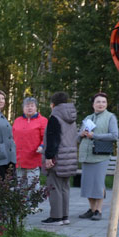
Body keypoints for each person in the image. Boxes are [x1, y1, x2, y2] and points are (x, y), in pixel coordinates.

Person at [78, 92, 119, 221]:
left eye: (103, 102)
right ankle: (91, 209)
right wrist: (82, 134)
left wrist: (94, 136)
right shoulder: (88, 118)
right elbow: (78, 137)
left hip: (101, 156)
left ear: (106, 104)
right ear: (93, 104)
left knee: (98, 184)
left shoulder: (110, 117)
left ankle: (98, 210)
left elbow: (114, 136)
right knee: (88, 184)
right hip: (87, 155)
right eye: (98, 102)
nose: (101, 104)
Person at [40, 92, 77, 225]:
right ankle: (64, 216)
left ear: (52, 104)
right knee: (65, 187)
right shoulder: (72, 118)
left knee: (54, 186)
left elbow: (53, 139)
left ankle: (56, 217)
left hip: (58, 157)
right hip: (70, 157)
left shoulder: (55, 117)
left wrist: (49, 157)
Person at [12, 96, 47, 186]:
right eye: (27, 106)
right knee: (20, 187)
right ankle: (21, 200)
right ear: (23, 108)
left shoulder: (42, 121)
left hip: (33, 158)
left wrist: (42, 146)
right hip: (19, 158)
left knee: (33, 187)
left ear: (36, 107)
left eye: (32, 105)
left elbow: (45, 137)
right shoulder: (17, 120)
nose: (30, 108)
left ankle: (32, 200)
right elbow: (11, 137)